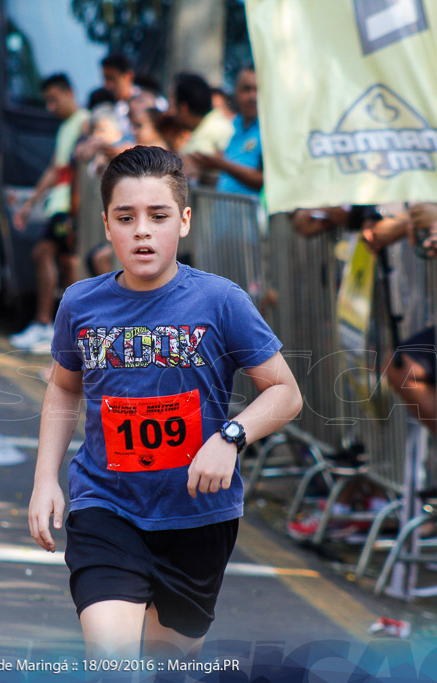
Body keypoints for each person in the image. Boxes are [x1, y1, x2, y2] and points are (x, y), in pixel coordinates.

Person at [28, 146, 302, 660]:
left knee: (166, 665)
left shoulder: (221, 301)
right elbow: (65, 385)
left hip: (197, 516)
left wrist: (230, 437)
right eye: (126, 217)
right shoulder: (80, 303)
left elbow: (286, 393)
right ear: (106, 224)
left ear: (184, 222)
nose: (142, 231)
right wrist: (46, 480)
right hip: (105, 505)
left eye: (158, 216)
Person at [10, 74, 90, 353]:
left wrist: (74, 210)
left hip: (69, 206)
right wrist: (31, 201)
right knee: (63, 262)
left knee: (57, 260)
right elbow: (56, 169)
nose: (50, 108)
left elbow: (76, 171)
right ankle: (57, 328)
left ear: (69, 92)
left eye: (54, 100)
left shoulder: (84, 121)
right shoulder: (66, 126)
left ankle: (54, 327)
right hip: (59, 204)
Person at [189, 67, 263, 195]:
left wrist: (222, 165)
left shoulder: (269, 132)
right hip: (226, 211)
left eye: (258, 89)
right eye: (247, 89)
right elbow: (225, 177)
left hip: (254, 213)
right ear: (235, 92)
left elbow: (265, 181)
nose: (253, 96)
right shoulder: (232, 125)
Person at [173, 73, 234, 185]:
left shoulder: (219, 128)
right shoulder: (204, 129)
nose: (171, 112)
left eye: (173, 105)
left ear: (183, 108)